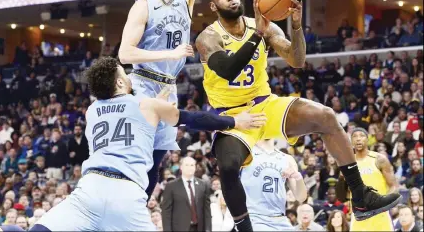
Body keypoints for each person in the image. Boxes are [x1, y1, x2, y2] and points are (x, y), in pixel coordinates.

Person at [195, 0, 401, 231]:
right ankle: (244, 226)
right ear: (212, 5)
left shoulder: (264, 27)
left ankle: (360, 196)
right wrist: (258, 34)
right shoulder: (208, 37)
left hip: (265, 104)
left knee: (326, 116)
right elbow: (228, 71)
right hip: (232, 115)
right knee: (227, 166)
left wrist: (295, 25)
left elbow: (297, 60)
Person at [26, 57, 265, 231]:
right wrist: (234, 121)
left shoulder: (91, 111)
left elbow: (124, 118)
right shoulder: (146, 105)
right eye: (124, 74)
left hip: (89, 188)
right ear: (119, 83)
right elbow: (193, 119)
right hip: (125, 192)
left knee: (41, 228)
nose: (130, 76)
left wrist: (153, 106)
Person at [119, 0, 234, 199]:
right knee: (139, 156)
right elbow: (125, 54)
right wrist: (169, 52)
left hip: (168, 85)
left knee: (157, 161)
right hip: (142, 84)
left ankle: (138, 210)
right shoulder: (142, 5)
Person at [240, 139, 307, 231]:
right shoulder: (244, 153)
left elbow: (301, 197)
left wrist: (298, 178)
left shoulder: (287, 159)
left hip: (280, 219)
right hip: (254, 218)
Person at [348, 127, 399, 232]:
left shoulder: (379, 159)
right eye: (355, 136)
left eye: (361, 136)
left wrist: (382, 202)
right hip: (359, 215)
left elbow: (394, 185)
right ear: (351, 141)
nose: (358, 139)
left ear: (367, 140)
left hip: (380, 215)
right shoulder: (348, 164)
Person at [161, 157, 211, 232]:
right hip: (179, 228)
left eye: (192, 165)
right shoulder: (171, 186)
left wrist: (208, 229)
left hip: (199, 227)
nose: (189, 168)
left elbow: (207, 209)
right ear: (181, 167)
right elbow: (166, 212)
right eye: (187, 165)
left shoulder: (203, 184)